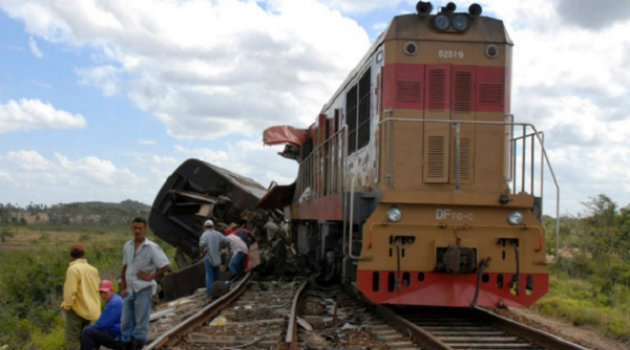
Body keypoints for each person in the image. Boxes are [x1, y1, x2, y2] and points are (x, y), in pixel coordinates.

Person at [120, 217, 170, 350]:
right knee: (125, 322)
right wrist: (123, 287)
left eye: (140, 228)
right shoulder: (127, 246)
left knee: (141, 323)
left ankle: (138, 345)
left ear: (145, 229)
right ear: (132, 229)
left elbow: (165, 265)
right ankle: (126, 344)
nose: (137, 231)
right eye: (135, 228)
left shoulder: (152, 247)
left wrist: (151, 277)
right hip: (130, 289)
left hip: (143, 289)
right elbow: (124, 266)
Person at [60, 243, 101, 350]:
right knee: (86, 339)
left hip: (76, 309)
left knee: (73, 339)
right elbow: (98, 288)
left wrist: (68, 305)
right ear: (84, 254)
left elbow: (71, 290)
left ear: (71, 255)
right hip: (91, 309)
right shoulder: (93, 270)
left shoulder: (73, 269)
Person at [80, 280, 123, 350]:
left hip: (122, 339)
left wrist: (91, 326)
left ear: (111, 291)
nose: (103, 295)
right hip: (120, 335)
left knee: (87, 331)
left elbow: (102, 325)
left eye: (105, 292)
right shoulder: (114, 300)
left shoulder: (114, 303)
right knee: (93, 332)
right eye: (101, 293)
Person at [198, 219, 228, 298]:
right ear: (213, 226)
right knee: (217, 275)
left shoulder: (204, 235)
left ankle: (210, 293)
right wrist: (220, 247)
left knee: (209, 276)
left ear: (205, 227)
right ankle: (218, 291)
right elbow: (226, 241)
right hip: (217, 258)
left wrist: (202, 253)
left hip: (208, 258)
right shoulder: (218, 234)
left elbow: (202, 245)